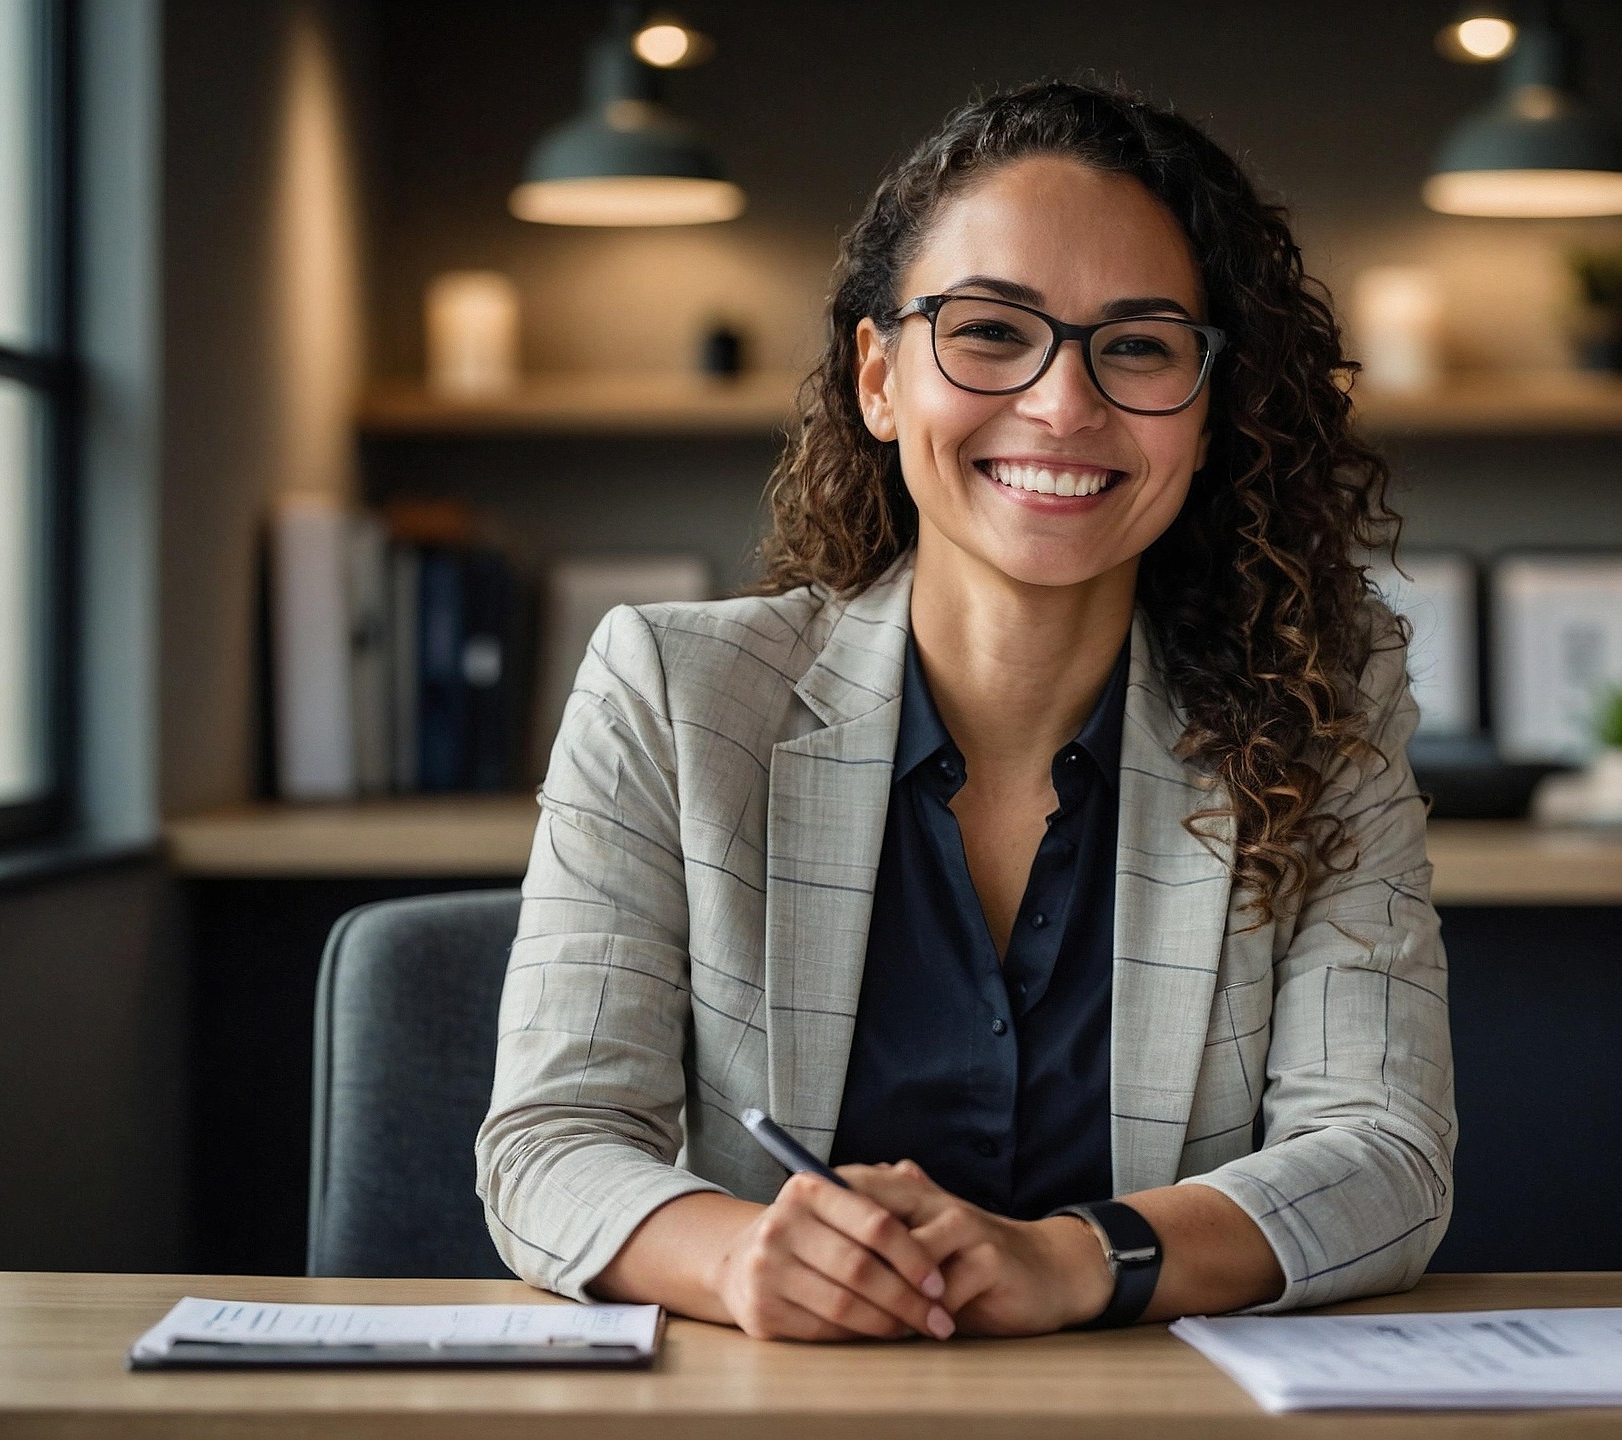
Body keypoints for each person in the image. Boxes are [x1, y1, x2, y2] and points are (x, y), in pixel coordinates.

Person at [476, 80, 1454, 1343]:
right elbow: (549, 1144)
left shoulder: (1320, 705)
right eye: (991, 330)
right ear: (880, 378)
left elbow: (1384, 1156)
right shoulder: (671, 690)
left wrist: (1079, 1259)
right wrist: (742, 1260)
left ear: (1211, 415)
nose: (1063, 404)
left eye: (1140, 345)